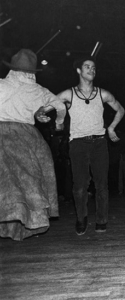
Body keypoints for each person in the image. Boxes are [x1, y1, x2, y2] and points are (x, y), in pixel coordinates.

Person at [39, 56, 125, 235]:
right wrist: (42, 115)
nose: (91, 70)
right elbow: (43, 108)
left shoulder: (103, 94)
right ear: (79, 71)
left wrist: (111, 128)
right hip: (78, 144)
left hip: (99, 143)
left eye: (93, 67)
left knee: (102, 185)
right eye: (87, 67)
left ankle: (101, 220)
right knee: (79, 186)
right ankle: (81, 218)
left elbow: (120, 109)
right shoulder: (68, 94)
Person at [0, 49, 66, 240]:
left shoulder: (2, 84)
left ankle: (9, 227)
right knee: (29, 181)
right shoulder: (38, 90)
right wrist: (58, 123)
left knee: (6, 183)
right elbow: (60, 106)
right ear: (32, 72)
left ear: (12, 68)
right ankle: (27, 223)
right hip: (26, 136)